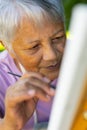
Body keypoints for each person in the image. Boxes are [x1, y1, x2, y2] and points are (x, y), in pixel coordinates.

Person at [0, 0, 66, 130]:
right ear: (7, 46)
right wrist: (11, 124)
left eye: (57, 38)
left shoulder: (81, 56)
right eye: (34, 47)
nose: (51, 55)